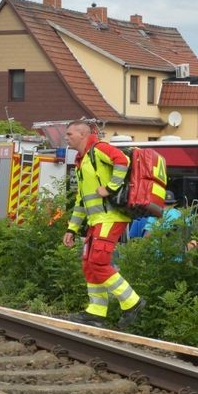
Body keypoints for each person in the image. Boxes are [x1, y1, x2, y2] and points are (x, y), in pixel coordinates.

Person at [62, 121, 145, 328]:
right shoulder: (82, 161)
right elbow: (82, 201)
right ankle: (96, 311)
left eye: (69, 133)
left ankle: (132, 302)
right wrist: (72, 228)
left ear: (82, 134)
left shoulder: (98, 150)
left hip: (110, 218)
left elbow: (122, 160)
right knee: (89, 264)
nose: (66, 137)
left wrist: (110, 187)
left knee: (98, 262)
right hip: (96, 222)